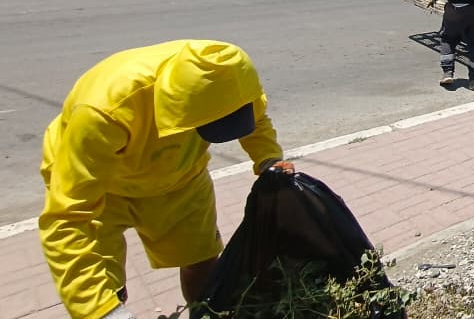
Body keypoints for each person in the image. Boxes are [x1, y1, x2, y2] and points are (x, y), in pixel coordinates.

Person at [39, 40, 293, 319]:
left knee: (201, 258)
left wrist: (268, 159)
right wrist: (101, 310)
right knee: (103, 282)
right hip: (102, 185)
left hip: (180, 178)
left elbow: (255, 119)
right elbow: (67, 219)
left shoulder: (233, 77)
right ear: (179, 109)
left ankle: (206, 313)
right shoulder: (104, 110)